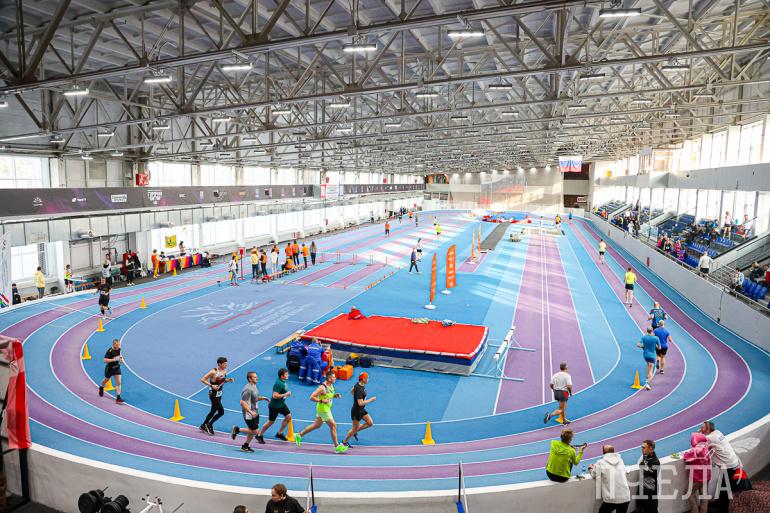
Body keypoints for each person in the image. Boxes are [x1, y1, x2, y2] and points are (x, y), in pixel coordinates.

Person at [294, 371, 348, 453]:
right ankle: (337, 446)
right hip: (323, 409)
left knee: (317, 425)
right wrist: (321, 400)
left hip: (326, 408)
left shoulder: (331, 385)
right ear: (329, 379)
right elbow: (311, 397)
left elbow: (328, 396)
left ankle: (299, 435)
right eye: (333, 377)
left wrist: (334, 396)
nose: (335, 378)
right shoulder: (322, 387)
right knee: (333, 425)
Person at [700, 421, 742, 513]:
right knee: (722, 486)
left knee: (724, 489)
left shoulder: (709, 438)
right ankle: (718, 504)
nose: (700, 428)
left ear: (707, 429)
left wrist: (699, 434)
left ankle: (721, 509)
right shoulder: (718, 432)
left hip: (729, 466)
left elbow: (697, 443)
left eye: (702, 427)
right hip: (732, 463)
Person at [230, 371, 269, 452]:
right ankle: (237, 429)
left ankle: (245, 446)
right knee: (256, 431)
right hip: (249, 414)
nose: (257, 378)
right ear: (250, 379)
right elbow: (242, 402)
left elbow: (254, 398)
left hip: (255, 412)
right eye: (255, 377)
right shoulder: (248, 389)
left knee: (251, 431)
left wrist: (262, 398)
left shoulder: (254, 386)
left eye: (256, 377)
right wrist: (250, 412)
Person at [589, 445, 631, 513]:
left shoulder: (600, 462)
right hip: (625, 496)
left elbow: (594, 474)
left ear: (603, 452)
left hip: (611, 498)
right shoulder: (620, 460)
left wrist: (590, 469)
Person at [257, 368, 293, 443]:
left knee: (288, 417)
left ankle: (279, 433)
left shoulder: (282, 381)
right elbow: (275, 396)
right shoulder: (278, 384)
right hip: (274, 406)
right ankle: (259, 435)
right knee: (271, 422)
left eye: (287, 374)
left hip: (281, 404)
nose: (288, 375)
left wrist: (285, 395)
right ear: (282, 376)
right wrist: (286, 394)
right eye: (286, 374)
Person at [199, 357, 234, 435]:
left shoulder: (224, 370)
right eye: (224, 364)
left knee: (213, 411)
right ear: (219, 364)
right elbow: (203, 379)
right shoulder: (213, 372)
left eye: (226, 364)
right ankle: (209, 424)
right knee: (221, 412)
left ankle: (203, 425)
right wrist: (212, 385)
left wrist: (227, 380)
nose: (226, 365)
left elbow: (221, 380)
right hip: (213, 394)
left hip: (219, 393)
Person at [342, 372, 376, 447]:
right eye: (367, 378)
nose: (368, 379)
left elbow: (352, 391)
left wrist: (356, 396)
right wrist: (371, 400)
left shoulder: (359, 384)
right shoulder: (360, 389)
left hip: (361, 410)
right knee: (354, 429)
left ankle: (354, 432)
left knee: (370, 423)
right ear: (363, 379)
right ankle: (344, 441)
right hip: (356, 411)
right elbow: (360, 403)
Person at [683, 432, 711, 513]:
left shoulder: (695, 450)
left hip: (698, 477)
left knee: (689, 493)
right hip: (707, 475)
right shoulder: (706, 447)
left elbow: (686, 458)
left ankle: (694, 511)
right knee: (704, 496)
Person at [636, 439, 660, 513]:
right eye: (642, 447)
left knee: (651, 510)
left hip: (650, 491)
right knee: (639, 509)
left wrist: (643, 465)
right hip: (642, 489)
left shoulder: (655, 461)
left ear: (651, 448)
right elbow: (639, 465)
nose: (642, 449)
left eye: (644, 447)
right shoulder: (645, 456)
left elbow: (645, 472)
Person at [99, 339, 124, 404]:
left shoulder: (119, 349)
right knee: (106, 380)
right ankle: (101, 387)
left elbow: (120, 355)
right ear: (114, 344)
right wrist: (114, 359)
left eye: (119, 344)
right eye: (117, 345)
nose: (118, 346)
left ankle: (118, 398)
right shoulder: (109, 351)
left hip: (117, 368)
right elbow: (105, 360)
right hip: (110, 369)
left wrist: (121, 359)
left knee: (118, 382)